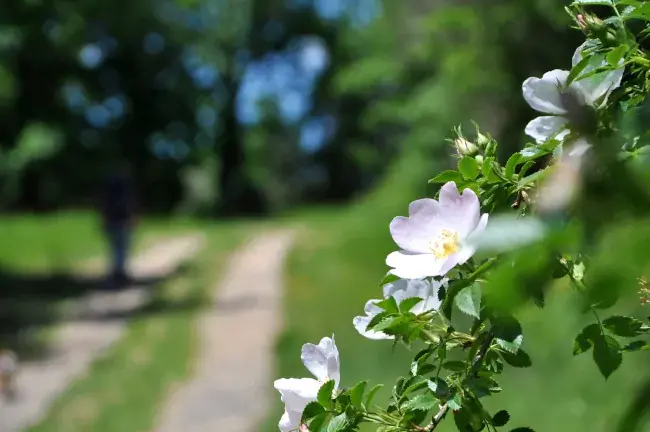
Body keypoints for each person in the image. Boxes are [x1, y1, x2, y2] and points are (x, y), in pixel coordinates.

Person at [99, 163, 137, 288]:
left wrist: (103, 220)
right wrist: (132, 218)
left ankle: (116, 272)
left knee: (114, 249)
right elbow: (129, 204)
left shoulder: (108, 189)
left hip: (111, 221)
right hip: (123, 221)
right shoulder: (125, 188)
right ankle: (119, 273)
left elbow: (103, 205)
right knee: (122, 248)